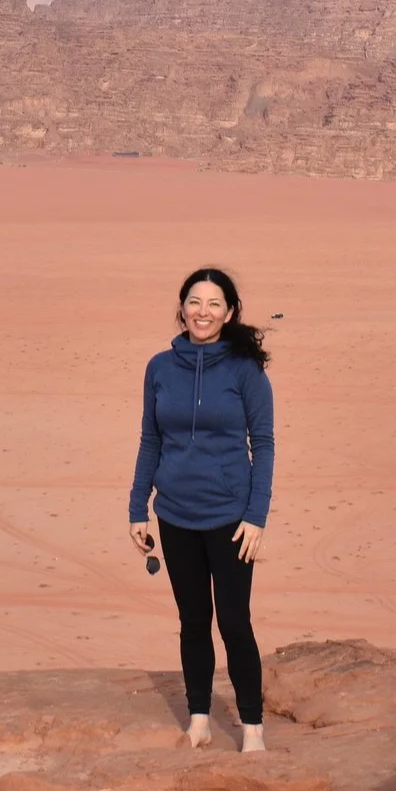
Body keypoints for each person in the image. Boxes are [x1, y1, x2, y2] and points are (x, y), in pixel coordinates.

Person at [128, 266, 274, 753]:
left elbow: (265, 444)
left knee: (234, 621)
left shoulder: (244, 370)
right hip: (175, 514)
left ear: (229, 312)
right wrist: (137, 507)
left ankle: (252, 727)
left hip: (231, 518)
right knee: (193, 619)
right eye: (195, 302)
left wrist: (256, 515)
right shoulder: (159, 367)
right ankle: (199, 719)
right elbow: (151, 440)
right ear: (182, 308)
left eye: (214, 304)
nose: (203, 312)